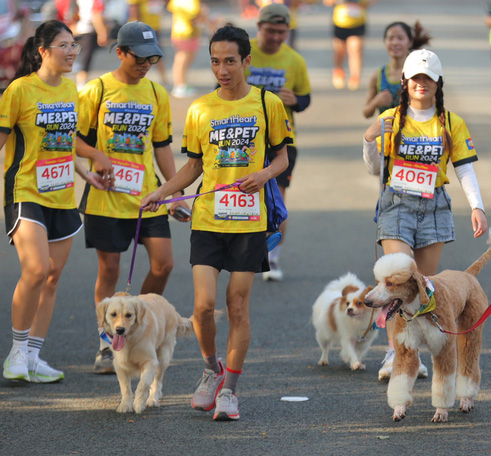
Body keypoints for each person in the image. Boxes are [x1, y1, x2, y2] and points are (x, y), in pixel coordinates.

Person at [140, 24, 292, 421]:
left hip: (248, 223)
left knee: (236, 306)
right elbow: (192, 166)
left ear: (246, 60)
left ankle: (230, 391)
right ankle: (211, 369)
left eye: (229, 61)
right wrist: (163, 191)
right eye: (215, 62)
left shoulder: (266, 104)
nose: (222, 69)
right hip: (208, 220)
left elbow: (282, 157)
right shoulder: (200, 109)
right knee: (203, 307)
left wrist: (262, 175)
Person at [362, 49, 489, 381]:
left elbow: (465, 169)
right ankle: (397, 351)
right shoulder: (391, 118)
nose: (422, 84)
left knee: (420, 289)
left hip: (434, 206)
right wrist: (369, 138)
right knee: (399, 276)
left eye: (428, 79)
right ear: (404, 81)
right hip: (397, 204)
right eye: (416, 78)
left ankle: (413, 353)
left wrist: (477, 206)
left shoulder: (450, 122)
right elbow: (376, 168)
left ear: (438, 83)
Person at [76, 21, 189, 374]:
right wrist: (97, 155)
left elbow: (162, 148)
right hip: (106, 197)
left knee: (164, 264)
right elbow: (73, 140)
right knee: (109, 269)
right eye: (139, 57)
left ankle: (135, 326)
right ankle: (107, 343)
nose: (145, 64)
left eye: (152, 58)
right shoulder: (97, 90)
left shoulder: (156, 94)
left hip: (147, 196)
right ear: (120, 52)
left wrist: (176, 193)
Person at [0, 20, 110, 383]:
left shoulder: (69, 90)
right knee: (35, 269)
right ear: (43, 50)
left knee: (51, 276)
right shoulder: (19, 90)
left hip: (62, 193)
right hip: (26, 191)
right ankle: (16, 353)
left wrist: (86, 171)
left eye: (75, 45)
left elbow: (65, 141)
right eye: (65, 45)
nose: (73, 52)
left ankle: (33, 355)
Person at [246, 3, 311, 281]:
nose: (275, 37)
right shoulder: (242, 51)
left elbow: (305, 99)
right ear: (259, 27)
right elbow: (220, 87)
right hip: (245, 138)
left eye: (281, 32)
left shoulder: (294, 60)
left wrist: (294, 101)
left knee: (276, 200)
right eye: (270, 31)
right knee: (244, 195)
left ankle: (272, 258)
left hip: (281, 141)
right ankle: (243, 252)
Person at [362, 20, 431, 119]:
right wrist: (376, 102)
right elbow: (366, 113)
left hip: (414, 133)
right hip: (386, 133)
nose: (395, 43)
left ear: (410, 42)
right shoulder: (378, 76)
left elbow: (433, 107)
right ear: (385, 42)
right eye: (390, 38)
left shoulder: (420, 73)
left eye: (400, 38)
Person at [323, 0, 374, 91]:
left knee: (356, 48)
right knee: (339, 51)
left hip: (358, 22)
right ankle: (338, 71)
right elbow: (327, 2)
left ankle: (355, 76)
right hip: (340, 22)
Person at [167, 0, 210, 98]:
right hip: (187, 32)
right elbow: (194, 17)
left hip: (180, 31)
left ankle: (181, 83)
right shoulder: (191, 2)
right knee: (183, 59)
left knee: (182, 59)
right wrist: (204, 14)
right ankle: (180, 85)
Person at [74, 0, 109, 89]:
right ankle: (80, 85)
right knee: (85, 61)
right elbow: (96, 14)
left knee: (80, 58)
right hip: (88, 29)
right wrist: (102, 32)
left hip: (79, 28)